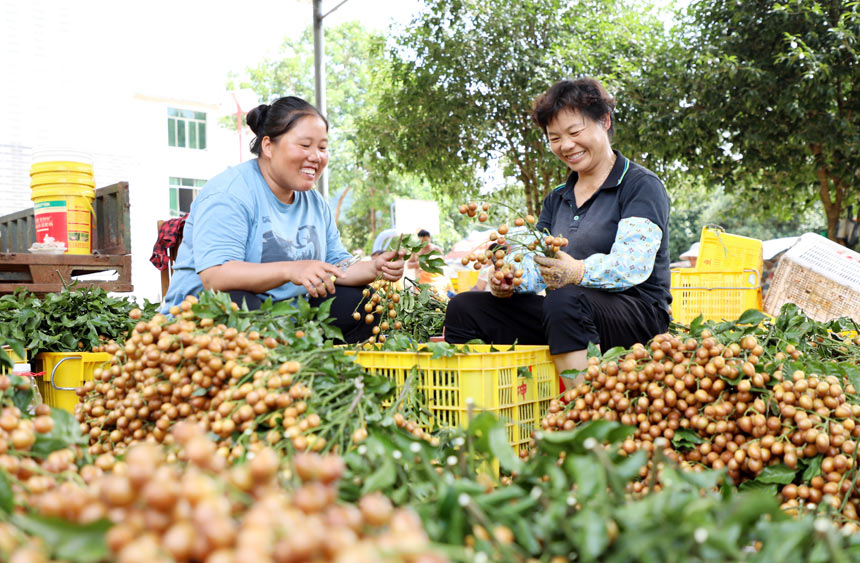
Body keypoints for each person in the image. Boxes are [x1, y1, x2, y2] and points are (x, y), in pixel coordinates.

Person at [443, 78, 671, 388]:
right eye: (554, 137)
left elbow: (634, 265)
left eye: (575, 132)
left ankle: (584, 415)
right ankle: (480, 410)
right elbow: (538, 268)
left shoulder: (640, 185)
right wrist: (511, 280)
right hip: (568, 315)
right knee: (465, 307)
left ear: (604, 121)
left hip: (637, 318)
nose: (565, 145)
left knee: (564, 299)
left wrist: (576, 271)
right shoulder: (558, 197)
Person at [162, 96, 406, 342]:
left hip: (288, 323)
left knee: (360, 305)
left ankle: (343, 374)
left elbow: (337, 267)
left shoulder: (315, 203)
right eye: (304, 145)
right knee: (239, 304)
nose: (316, 156)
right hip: (203, 319)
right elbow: (216, 276)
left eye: (322, 148)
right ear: (268, 146)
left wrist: (375, 267)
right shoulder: (231, 194)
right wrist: (292, 270)